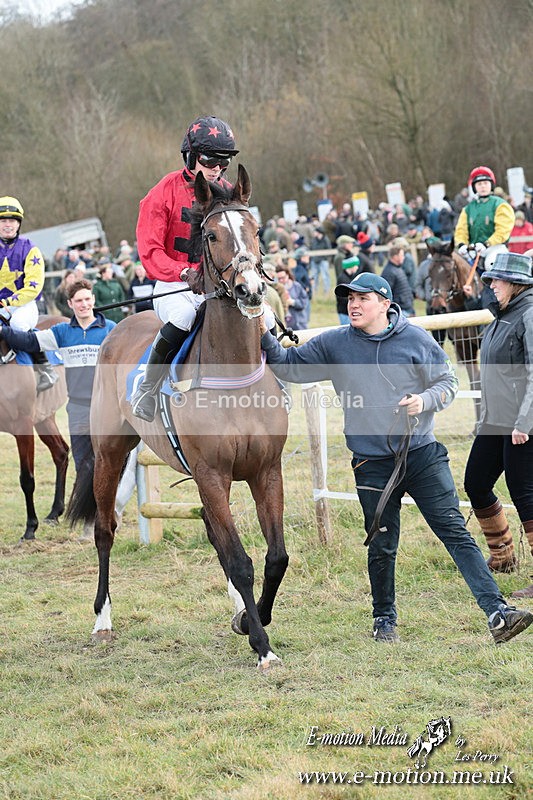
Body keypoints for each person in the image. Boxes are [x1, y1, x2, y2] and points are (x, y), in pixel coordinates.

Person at [258, 271, 533, 644]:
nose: (353, 305)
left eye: (362, 299)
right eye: (350, 299)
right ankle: (384, 619)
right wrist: (260, 326)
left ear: (385, 304)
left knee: (454, 532)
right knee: (382, 544)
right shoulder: (335, 343)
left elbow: (447, 384)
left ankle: (498, 613)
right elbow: (289, 366)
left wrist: (424, 401)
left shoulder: (415, 339)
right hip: (371, 462)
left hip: (421, 454)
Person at [0, 279, 135, 538]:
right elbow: (29, 341)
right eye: (79, 301)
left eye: (88, 299)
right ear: (70, 305)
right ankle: (90, 518)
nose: (84, 304)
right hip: (79, 407)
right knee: (84, 464)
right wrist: (4, 332)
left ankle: (108, 511)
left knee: (112, 460)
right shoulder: (62, 332)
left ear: (93, 300)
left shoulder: (111, 329)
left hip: (107, 405)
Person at [131, 114, 238, 422]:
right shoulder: (161, 193)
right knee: (184, 316)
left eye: (223, 162)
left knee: (262, 314)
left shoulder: (227, 191)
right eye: (210, 160)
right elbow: (149, 252)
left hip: (215, 284)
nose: (217, 169)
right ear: (191, 156)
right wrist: (183, 273)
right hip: (173, 284)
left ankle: (277, 384)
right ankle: (147, 389)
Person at [464, 252, 533, 598]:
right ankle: (503, 555)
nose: (490, 285)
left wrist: (525, 420)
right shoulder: (502, 315)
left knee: (525, 492)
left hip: (522, 421)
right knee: (475, 481)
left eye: (497, 280)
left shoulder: (530, 314)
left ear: (516, 283)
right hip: (495, 418)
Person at [0, 196, 58, 392]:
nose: (8, 225)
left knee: (17, 325)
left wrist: (6, 303)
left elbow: (33, 287)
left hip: (23, 304)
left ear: (18, 224)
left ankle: (46, 368)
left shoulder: (30, 249)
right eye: (3, 220)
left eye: (12, 220)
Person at [455, 166, 515, 298]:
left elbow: (503, 230)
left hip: (494, 247)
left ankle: (499, 299)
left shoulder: (501, 204)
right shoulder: (468, 208)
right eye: (479, 184)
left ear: (491, 185)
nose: (483, 186)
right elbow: (461, 230)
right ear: (474, 187)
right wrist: (461, 245)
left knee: (491, 264)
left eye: (486, 183)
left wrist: (487, 244)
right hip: (474, 249)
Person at [381, 244, 415, 316]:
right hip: (401, 311)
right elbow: (386, 294)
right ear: (395, 257)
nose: (403, 257)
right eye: (402, 255)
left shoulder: (398, 268)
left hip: (407, 308)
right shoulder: (389, 272)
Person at [275, 263, 308, 330]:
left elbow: (304, 303)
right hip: (284, 325)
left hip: (299, 323)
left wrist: (293, 302)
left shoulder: (297, 286)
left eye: (283, 278)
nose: (281, 280)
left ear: (288, 275)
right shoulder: (275, 289)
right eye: (279, 278)